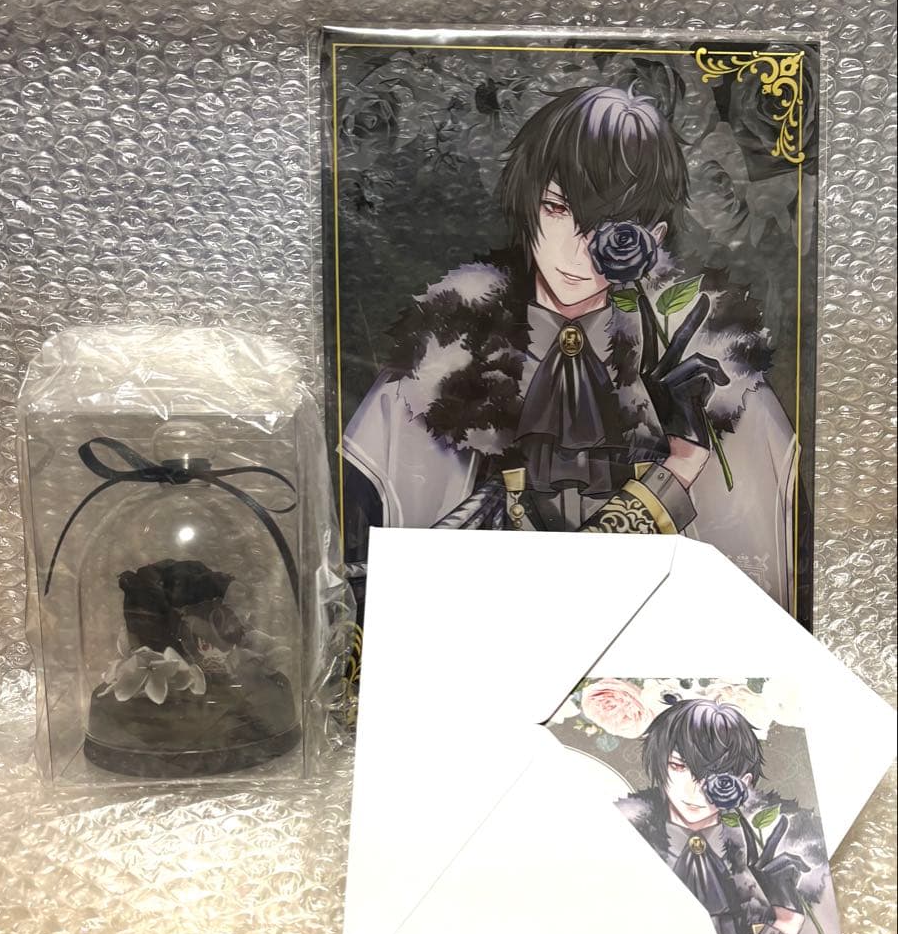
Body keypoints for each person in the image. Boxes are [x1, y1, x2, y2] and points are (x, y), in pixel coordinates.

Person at [341, 85, 798, 614]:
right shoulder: (441, 361)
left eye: (609, 225)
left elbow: (765, 592)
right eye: (557, 208)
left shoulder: (712, 374)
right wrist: (673, 475)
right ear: (529, 205)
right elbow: (367, 581)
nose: (577, 250)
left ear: (652, 237)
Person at [615, 697, 836, 934]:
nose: (694, 790)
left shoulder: (774, 849)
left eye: (716, 775)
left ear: (744, 783)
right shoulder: (622, 834)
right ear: (660, 766)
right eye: (678, 766)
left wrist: (785, 924)